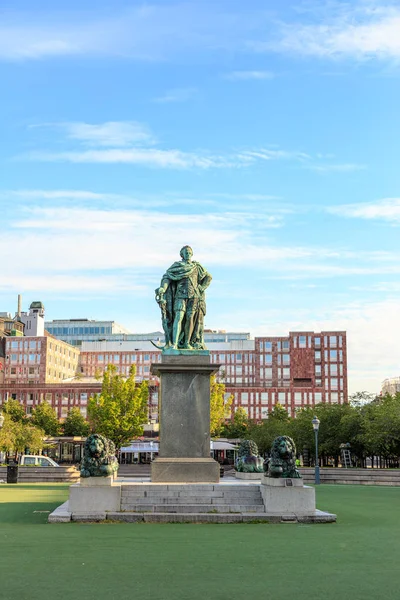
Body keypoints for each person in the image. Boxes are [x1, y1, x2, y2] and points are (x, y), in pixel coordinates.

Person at [155, 246, 212, 350]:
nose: (188, 254)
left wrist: (201, 288)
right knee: (179, 317)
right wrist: (163, 288)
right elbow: (167, 277)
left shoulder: (196, 266)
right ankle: (174, 344)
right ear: (182, 254)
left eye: (190, 252)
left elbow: (208, 277)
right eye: (186, 252)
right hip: (180, 295)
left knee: (190, 319)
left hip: (194, 296)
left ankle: (186, 343)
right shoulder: (177, 266)